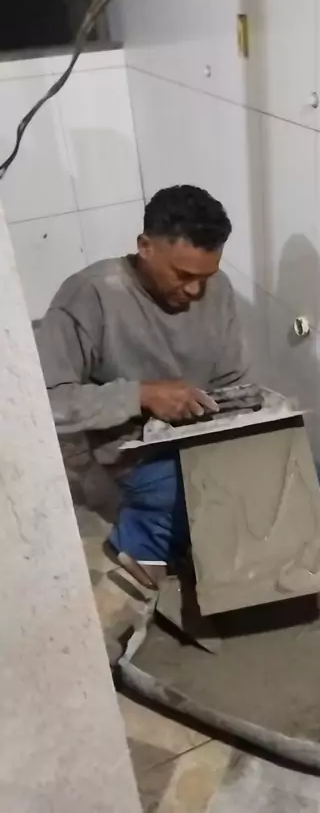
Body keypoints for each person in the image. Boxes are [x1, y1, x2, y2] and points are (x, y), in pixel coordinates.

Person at [35, 185, 249, 588]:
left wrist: (253, 424)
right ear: (145, 247)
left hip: (204, 433)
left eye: (205, 277)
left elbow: (231, 378)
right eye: (183, 275)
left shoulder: (217, 288)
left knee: (304, 475)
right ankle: (139, 537)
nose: (196, 291)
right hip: (136, 449)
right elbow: (47, 401)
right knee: (201, 495)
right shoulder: (90, 294)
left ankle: (186, 532)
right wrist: (140, 395)